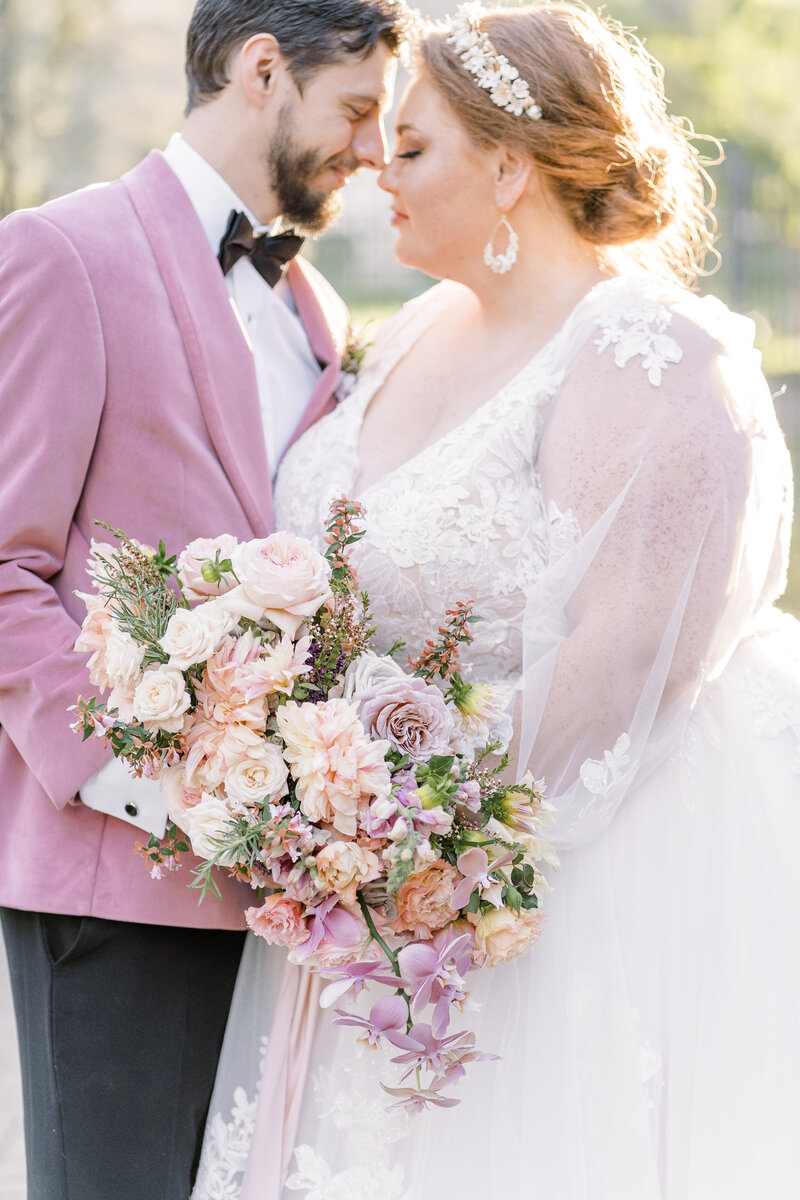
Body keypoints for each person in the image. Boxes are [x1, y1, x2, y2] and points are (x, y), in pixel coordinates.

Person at [193, 3, 800, 1198]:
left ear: (512, 165)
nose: (375, 166)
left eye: (412, 148)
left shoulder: (644, 350)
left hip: (538, 901)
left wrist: (400, 833)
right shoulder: (409, 330)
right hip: (361, 907)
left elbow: (631, 656)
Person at [0, 1, 410, 1197]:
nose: (373, 150)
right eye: (355, 111)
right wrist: (152, 786)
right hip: (111, 876)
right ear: (261, 68)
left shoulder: (316, 311)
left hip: (284, 905)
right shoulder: (59, 252)